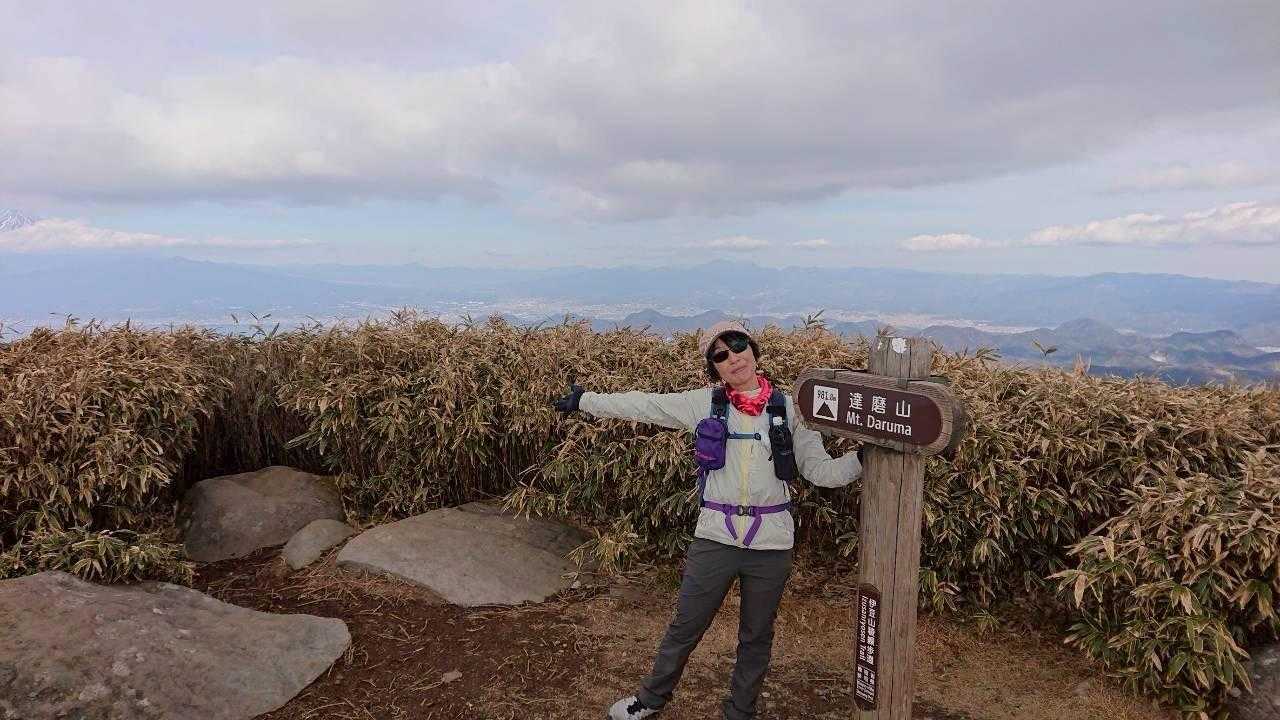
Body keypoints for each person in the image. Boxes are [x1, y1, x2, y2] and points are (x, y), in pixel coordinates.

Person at [552, 320, 862, 720]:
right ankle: (651, 699)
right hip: (716, 537)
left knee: (757, 636)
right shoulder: (706, 404)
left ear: (753, 349)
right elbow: (646, 405)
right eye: (720, 354)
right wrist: (586, 401)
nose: (733, 357)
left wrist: (862, 458)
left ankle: (740, 712)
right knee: (686, 625)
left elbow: (821, 471)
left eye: (738, 344)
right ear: (714, 367)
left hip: (771, 544)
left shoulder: (790, 410)